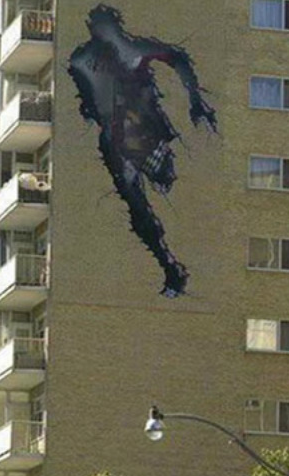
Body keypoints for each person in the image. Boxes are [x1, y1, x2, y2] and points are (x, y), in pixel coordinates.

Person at [68, 4, 218, 298]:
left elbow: (178, 58)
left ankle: (174, 264)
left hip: (147, 138)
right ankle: (170, 266)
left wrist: (195, 100)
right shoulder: (86, 59)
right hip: (121, 144)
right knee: (139, 207)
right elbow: (177, 58)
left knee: (162, 193)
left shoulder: (130, 51)